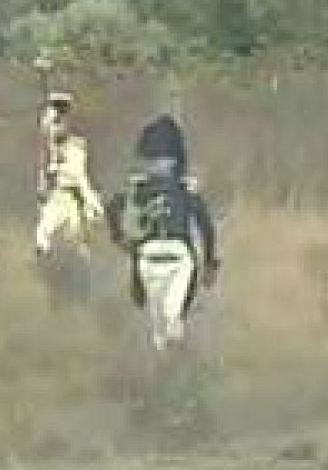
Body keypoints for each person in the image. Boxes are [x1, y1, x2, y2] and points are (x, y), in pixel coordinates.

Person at [106, 156, 219, 350]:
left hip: (149, 258)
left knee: (161, 326)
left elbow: (113, 206)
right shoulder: (185, 191)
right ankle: (173, 352)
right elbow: (206, 226)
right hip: (176, 256)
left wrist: (119, 236)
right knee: (169, 319)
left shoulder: (140, 189)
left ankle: (169, 355)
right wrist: (209, 262)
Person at [35, 92, 105, 257]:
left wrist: (93, 204)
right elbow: (47, 132)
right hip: (57, 195)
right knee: (44, 230)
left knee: (77, 234)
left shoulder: (76, 148)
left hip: (73, 197)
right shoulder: (50, 133)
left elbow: (80, 179)